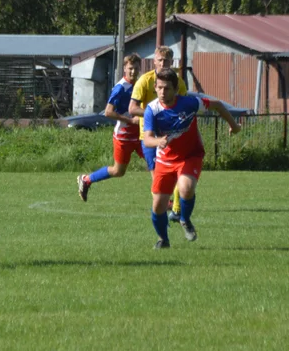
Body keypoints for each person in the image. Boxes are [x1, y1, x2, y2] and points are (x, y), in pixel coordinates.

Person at [141, 67, 240, 249]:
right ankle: (163, 240)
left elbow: (217, 104)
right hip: (164, 160)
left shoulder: (189, 103)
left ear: (176, 89)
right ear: (155, 87)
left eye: (167, 88)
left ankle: (184, 219)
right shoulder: (152, 110)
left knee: (186, 188)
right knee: (158, 206)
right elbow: (146, 139)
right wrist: (157, 141)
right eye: (160, 87)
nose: (163, 92)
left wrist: (233, 126)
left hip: (190, 156)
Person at [128, 46, 188, 222]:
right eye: (160, 60)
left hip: (170, 135)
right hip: (149, 136)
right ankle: (163, 211)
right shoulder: (145, 81)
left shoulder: (179, 83)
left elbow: (183, 105)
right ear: (154, 61)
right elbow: (132, 108)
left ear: (172, 62)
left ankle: (176, 209)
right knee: (158, 180)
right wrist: (152, 113)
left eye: (166, 61)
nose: (163, 63)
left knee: (177, 172)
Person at [77, 54, 143, 201]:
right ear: (125, 68)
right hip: (124, 135)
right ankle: (86, 180)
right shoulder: (120, 88)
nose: (133, 72)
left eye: (136, 68)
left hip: (140, 134)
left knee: (157, 162)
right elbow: (108, 112)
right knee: (118, 171)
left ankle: (166, 200)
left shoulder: (140, 83)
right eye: (130, 68)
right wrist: (130, 120)